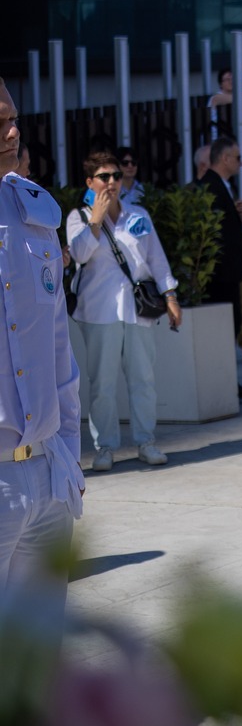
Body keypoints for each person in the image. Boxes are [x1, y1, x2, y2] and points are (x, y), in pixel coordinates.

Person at [0, 80, 85, 603]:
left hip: (48, 475)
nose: (12, 132)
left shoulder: (33, 210)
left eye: (12, 118)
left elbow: (58, 349)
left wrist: (69, 454)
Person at [66, 151, 181, 471]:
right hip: (99, 310)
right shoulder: (78, 217)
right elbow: (79, 254)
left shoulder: (137, 215)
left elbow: (156, 259)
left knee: (143, 378)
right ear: (90, 182)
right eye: (104, 177)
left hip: (137, 309)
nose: (112, 182)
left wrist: (170, 295)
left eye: (116, 176)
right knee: (102, 384)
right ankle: (104, 447)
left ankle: (146, 441)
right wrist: (96, 219)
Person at [197, 137, 242, 397]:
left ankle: (229, 383)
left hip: (230, 274)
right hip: (221, 277)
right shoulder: (210, 187)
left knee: (231, 328)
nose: (240, 163)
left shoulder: (222, 186)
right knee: (223, 333)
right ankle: (223, 386)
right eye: (237, 158)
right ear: (225, 159)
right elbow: (216, 235)